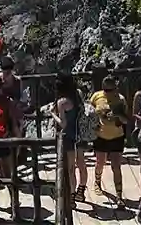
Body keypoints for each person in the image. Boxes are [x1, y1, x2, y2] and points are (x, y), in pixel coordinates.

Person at [90, 75, 128, 205]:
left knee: (116, 166)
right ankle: (97, 181)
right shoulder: (96, 97)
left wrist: (117, 115)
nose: (110, 93)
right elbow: (89, 113)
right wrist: (93, 126)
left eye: (112, 90)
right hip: (100, 135)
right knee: (100, 162)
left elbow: (126, 120)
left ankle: (119, 195)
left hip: (117, 135)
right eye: (107, 90)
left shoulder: (121, 99)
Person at [51, 73, 88, 202]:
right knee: (82, 164)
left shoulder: (62, 102)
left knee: (71, 168)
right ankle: (81, 191)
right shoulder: (78, 94)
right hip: (80, 134)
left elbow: (63, 123)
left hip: (68, 137)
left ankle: (71, 196)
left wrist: (52, 114)